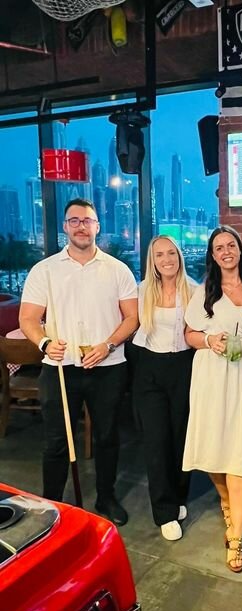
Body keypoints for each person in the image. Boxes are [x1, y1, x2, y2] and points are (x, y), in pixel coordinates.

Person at [19, 198, 138, 526]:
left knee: (107, 437)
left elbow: (132, 317)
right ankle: (51, 504)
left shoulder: (118, 270)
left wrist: (108, 345)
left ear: (97, 226)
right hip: (60, 368)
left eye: (87, 220)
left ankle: (106, 497)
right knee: (56, 441)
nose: (81, 226)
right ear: (65, 227)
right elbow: (28, 318)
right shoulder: (45, 270)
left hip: (108, 367)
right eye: (74, 221)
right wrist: (44, 342)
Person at [183, 225, 242, 573]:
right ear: (213, 255)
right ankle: (226, 500)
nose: (226, 251)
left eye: (231, 245)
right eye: (219, 247)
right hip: (212, 372)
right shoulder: (204, 291)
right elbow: (189, 334)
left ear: (239, 249)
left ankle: (237, 537)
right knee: (213, 445)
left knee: (241, 449)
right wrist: (209, 341)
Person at [132, 235, 194, 541]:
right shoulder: (142, 290)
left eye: (171, 253)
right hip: (149, 368)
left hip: (184, 367)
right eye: (159, 255)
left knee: (181, 439)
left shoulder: (194, 290)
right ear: (152, 261)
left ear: (179, 256)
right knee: (156, 441)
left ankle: (178, 495)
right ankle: (164, 511)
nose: (166, 259)